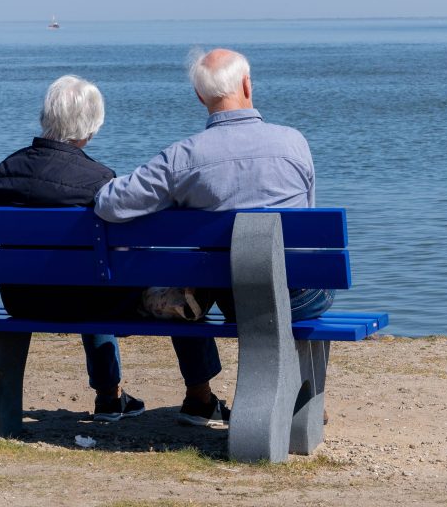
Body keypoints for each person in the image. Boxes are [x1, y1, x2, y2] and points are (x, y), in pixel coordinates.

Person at [94, 49, 336, 423]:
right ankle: (301, 401)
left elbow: (110, 204)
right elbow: (308, 220)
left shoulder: (181, 158)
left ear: (200, 97)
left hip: (229, 298)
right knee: (304, 277)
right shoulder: (294, 143)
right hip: (296, 297)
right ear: (246, 84)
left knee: (186, 280)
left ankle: (199, 395)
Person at [0, 74, 222, 427]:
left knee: (81, 273)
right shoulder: (99, 181)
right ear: (92, 126)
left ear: (45, 116)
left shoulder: (1, 175)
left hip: (21, 300)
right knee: (166, 278)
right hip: (91, 300)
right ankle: (199, 398)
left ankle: (110, 397)